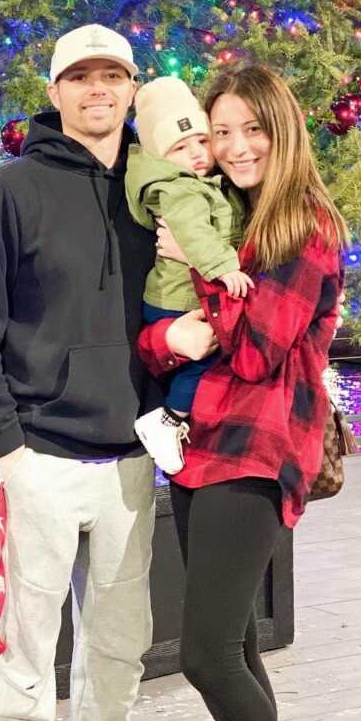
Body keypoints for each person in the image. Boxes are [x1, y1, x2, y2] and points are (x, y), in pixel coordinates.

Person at [0, 23, 159, 721]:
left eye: (113, 76)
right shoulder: (10, 191)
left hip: (133, 463)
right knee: (26, 652)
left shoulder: (154, 187)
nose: (97, 91)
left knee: (117, 648)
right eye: (81, 78)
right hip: (38, 458)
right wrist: (5, 443)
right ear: (56, 91)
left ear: (133, 88)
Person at [138, 62, 348, 721]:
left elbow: (257, 350)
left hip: (259, 449)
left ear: (280, 130)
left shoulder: (306, 227)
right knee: (238, 648)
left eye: (250, 129)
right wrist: (174, 331)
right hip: (203, 449)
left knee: (205, 655)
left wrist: (194, 267)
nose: (234, 145)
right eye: (219, 130)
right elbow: (158, 344)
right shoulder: (228, 216)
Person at [125, 76, 250, 474]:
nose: (197, 153)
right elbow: (194, 232)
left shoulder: (202, 182)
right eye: (180, 147)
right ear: (161, 155)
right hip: (175, 299)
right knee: (203, 361)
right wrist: (224, 266)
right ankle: (169, 420)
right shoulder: (179, 190)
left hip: (179, 294)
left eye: (201, 140)